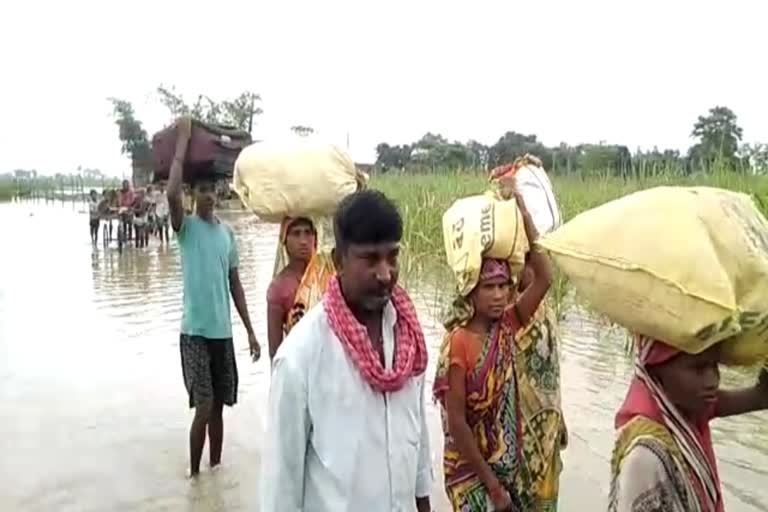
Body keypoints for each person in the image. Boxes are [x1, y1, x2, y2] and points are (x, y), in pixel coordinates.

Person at [261, 190, 433, 512]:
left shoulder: (409, 339)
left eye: (392, 257)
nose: (385, 274)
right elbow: (280, 487)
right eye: (370, 260)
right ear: (338, 260)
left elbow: (418, 436)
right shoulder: (300, 358)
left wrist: (424, 505)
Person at [433, 190, 553, 512]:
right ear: (471, 293)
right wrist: (493, 487)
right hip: (468, 470)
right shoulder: (458, 343)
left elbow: (544, 278)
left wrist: (525, 217)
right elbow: (457, 424)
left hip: (500, 465)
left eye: (503, 286)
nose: (499, 295)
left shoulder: (507, 326)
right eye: (489, 287)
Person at [167, 117, 261, 478]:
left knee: (220, 407)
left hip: (223, 334)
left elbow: (235, 285)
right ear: (192, 194)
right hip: (194, 333)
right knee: (204, 406)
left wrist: (250, 331)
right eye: (201, 189)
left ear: (219, 193)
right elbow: (171, 193)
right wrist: (183, 142)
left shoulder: (228, 235)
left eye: (212, 189)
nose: (207, 195)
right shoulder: (185, 229)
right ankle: (193, 478)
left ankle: (215, 475)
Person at [609, 336, 768, 512]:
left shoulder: (688, 411)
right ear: (656, 371)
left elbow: (760, 397)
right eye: (698, 368)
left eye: (714, 365)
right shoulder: (645, 457)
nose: (713, 380)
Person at [266, 216, 336, 360]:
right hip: (300, 363)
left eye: (308, 233)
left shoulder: (328, 269)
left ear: (315, 238)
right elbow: (275, 350)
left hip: (332, 360)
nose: (303, 241)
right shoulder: (278, 288)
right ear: (284, 240)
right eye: (296, 234)